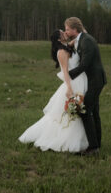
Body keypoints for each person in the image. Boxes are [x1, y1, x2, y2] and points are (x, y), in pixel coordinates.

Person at [18, 30, 89, 153]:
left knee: (76, 112)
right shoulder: (61, 52)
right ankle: (66, 140)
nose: (65, 33)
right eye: (63, 32)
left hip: (79, 82)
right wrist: (69, 88)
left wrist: (81, 31)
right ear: (59, 39)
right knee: (70, 114)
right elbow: (65, 72)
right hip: (72, 85)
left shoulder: (67, 47)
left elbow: (78, 38)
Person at [64, 16, 106, 157]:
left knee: (85, 111)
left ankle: (93, 148)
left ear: (75, 30)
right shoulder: (82, 38)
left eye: (68, 29)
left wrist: (68, 74)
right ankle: (97, 144)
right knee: (94, 112)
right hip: (94, 80)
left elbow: (85, 65)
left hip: (95, 81)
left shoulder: (87, 41)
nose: (66, 31)